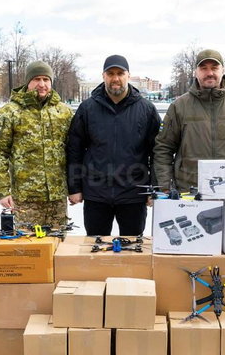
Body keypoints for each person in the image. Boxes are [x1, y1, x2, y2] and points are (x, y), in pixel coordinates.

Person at [66, 55, 161, 235]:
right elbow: (75, 149)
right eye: (110, 73)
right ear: (104, 76)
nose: (115, 78)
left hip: (134, 194)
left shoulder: (146, 109)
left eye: (120, 73)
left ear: (128, 75)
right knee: (96, 249)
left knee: (133, 250)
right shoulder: (87, 109)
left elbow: (157, 152)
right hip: (96, 194)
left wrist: (153, 188)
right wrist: (74, 187)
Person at [153, 49, 225, 192]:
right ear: (196, 72)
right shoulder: (179, 107)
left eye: (214, 68)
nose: (209, 73)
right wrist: (165, 187)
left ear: (223, 70)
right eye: (203, 68)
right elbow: (164, 148)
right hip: (189, 191)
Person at [0, 60, 73, 228]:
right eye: (37, 79)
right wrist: (2, 191)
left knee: (58, 247)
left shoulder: (63, 112)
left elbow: (74, 150)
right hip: (25, 199)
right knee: (28, 249)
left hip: (57, 199)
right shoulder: (9, 112)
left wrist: (75, 186)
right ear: (28, 82)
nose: (42, 84)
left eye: (46, 80)